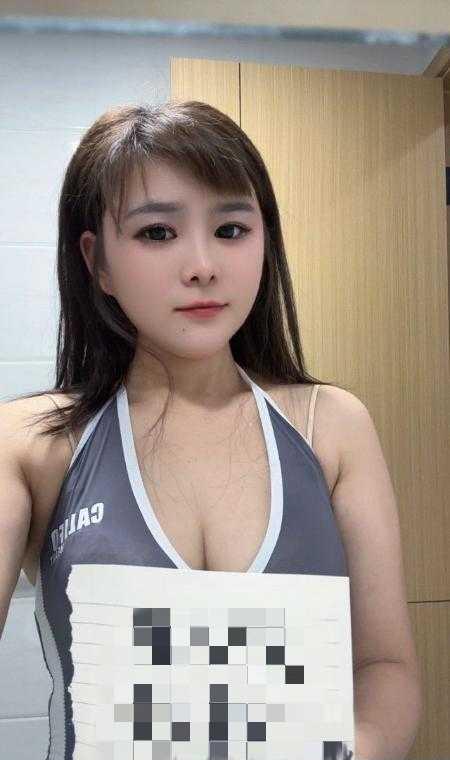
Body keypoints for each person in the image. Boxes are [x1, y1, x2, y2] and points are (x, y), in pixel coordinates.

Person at [0, 100, 419, 760]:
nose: (202, 264)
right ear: (97, 260)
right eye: (157, 233)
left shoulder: (331, 426)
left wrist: (357, 750)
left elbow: (385, 666)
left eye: (230, 229)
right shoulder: (32, 445)